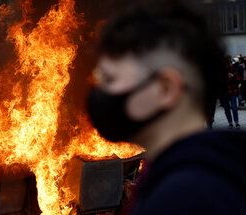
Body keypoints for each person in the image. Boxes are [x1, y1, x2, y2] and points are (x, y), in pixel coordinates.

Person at [87, 1, 245, 215]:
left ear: (165, 89)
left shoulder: (184, 198)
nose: (100, 92)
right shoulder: (209, 172)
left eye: (110, 79)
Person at [223, 63, 241, 128]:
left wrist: (232, 76)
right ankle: (230, 122)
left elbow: (238, 79)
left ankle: (236, 122)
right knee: (226, 109)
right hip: (224, 92)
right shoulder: (220, 71)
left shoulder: (233, 69)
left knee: (234, 107)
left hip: (232, 91)